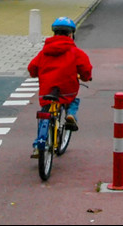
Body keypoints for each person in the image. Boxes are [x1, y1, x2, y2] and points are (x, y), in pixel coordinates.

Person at [28, 17, 93, 158]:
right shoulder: (76, 52)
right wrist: (86, 77)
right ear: (71, 35)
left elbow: (32, 68)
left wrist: (35, 74)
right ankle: (71, 114)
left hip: (47, 91)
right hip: (67, 90)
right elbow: (85, 69)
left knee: (45, 115)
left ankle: (39, 144)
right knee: (72, 100)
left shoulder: (44, 52)